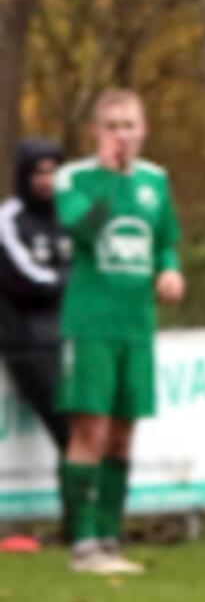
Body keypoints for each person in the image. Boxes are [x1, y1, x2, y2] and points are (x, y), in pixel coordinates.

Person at [53, 89, 184, 575]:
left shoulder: (156, 181)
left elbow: (165, 239)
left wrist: (169, 271)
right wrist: (109, 179)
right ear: (96, 132)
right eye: (112, 126)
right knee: (91, 428)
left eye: (129, 125)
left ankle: (110, 537)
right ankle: (82, 543)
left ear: (144, 130)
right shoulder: (75, 179)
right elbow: (82, 230)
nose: (121, 135)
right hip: (90, 322)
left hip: (137, 325)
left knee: (124, 433)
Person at [1, 138, 72, 458]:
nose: (46, 181)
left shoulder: (71, 215)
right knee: (72, 434)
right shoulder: (9, 220)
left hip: (71, 336)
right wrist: (69, 280)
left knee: (92, 433)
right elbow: (25, 280)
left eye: (52, 172)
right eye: (38, 173)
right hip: (27, 343)